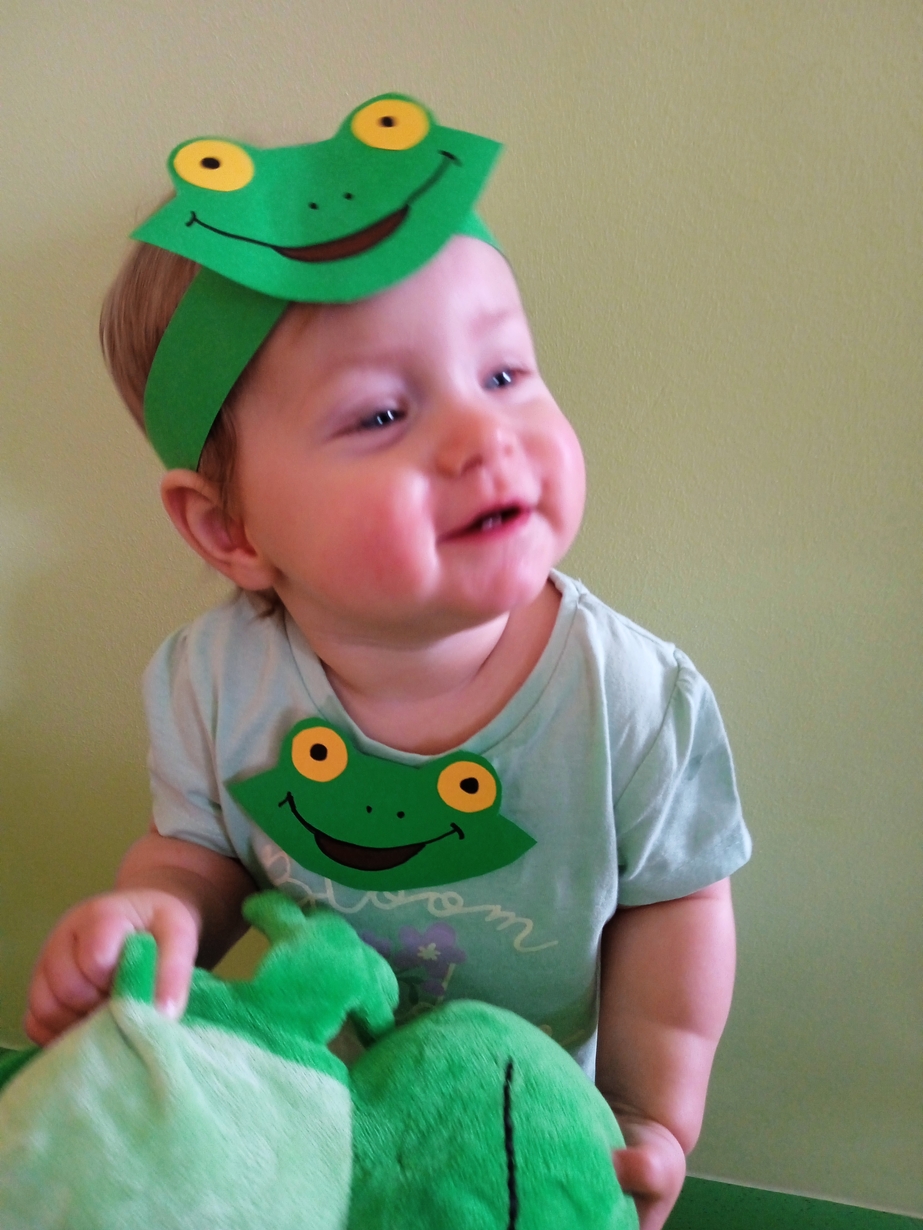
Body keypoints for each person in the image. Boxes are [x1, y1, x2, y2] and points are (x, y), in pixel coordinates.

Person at [24, 97, 750, 1230]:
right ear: (228, 528)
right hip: (318, 1095)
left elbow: (675, 902)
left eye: (503, 375)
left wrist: (649, 1112)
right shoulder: (209, 682)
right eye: (380, 415)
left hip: (518, 1129)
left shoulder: (631, 697)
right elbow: (198, 850)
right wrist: (154, 907)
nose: (483, 437)